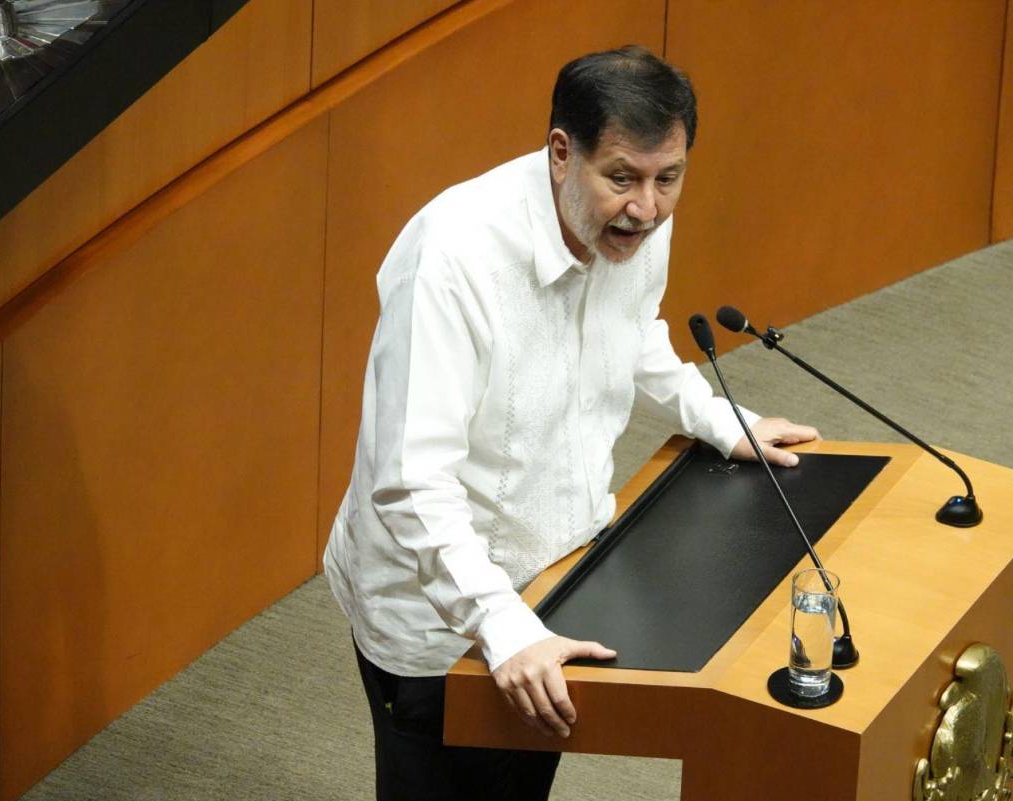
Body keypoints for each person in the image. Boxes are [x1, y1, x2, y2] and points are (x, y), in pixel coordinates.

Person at [323, 45, 818, 801]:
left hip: (557, 584)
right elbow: (411, 483)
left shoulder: (629, 221)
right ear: (562, 153)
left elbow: (633, 327)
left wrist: (715, 418)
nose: (646, 207)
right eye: (622, 178)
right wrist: (503, 624)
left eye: (668, 178)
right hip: (437, 620)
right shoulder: (452, 260)